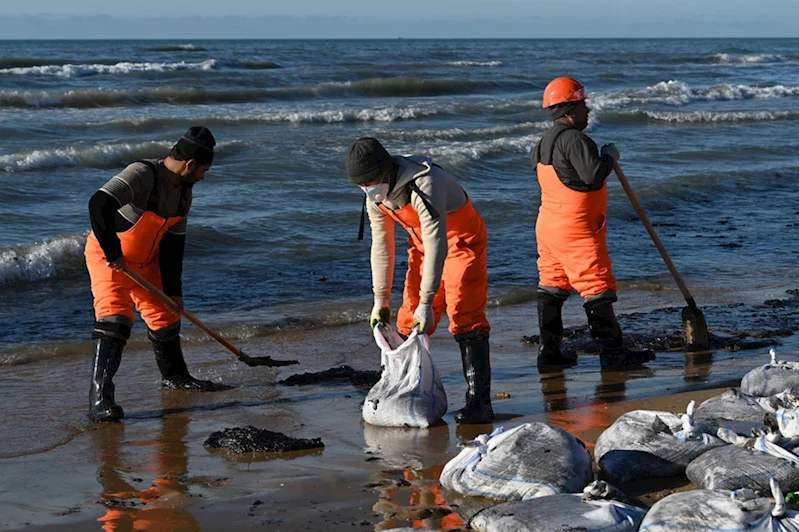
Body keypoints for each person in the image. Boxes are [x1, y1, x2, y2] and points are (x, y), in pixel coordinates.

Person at [346, 137, 493, 424]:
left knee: (464, 312)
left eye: (372, 181)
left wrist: (428, 301)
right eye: (362, 185)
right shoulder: (375, 195)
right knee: (406, 318)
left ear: (386, 170)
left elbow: (440, 243)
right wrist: (380, 299)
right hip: (424, 247)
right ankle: (399, 392)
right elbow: (382, 245)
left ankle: (480, 403)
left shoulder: (425, 183)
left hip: (461, 241)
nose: (368, 189)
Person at [85, 126, 217, 423]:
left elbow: (173, 245)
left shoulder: (184, 194)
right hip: (110, 259)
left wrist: (174, 292)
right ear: (190, 165)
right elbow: (98, 204)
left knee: (167, 315)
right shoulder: (142, 174)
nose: (203, 178)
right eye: (203, 170)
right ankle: (99, 400)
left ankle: (176, 377)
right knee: (115, 319)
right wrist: (113, 252)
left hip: (147, 261)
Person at [531, 77, 655, 370]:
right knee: (596, 286)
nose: (588, 112)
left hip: (548, 226)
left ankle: (549, 354)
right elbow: (593, 176)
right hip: (575, 229)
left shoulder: (542, 143)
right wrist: (609, 157)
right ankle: (613, 355)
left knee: (552, 286)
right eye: (584, 106)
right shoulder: (575, 140)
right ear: (570, 110)